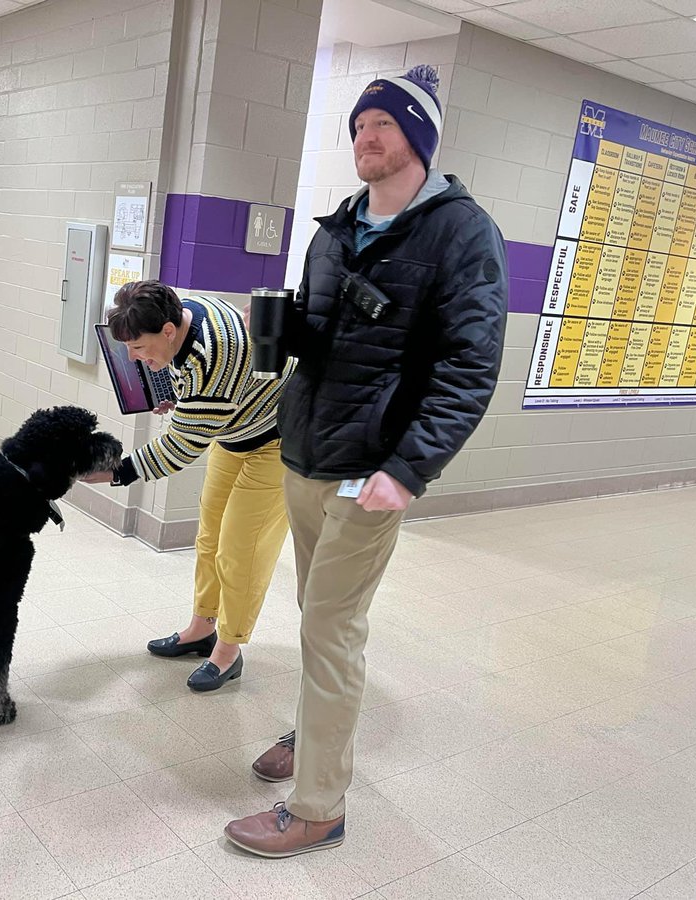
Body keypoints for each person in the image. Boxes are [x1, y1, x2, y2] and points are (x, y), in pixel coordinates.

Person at [223, 65, 509, 857]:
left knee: (331, 628)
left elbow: (468, 366)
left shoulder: (461, 232)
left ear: (417, 138)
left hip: (371, 471)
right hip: (307, 455)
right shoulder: (335, 227)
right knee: (319, 619)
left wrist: (410, 469)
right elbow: (327, 342)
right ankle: (319, 731)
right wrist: (287, 335)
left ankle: (318, 806)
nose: (365, 138)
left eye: (382, 124)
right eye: (356, 126)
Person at [81, 280, 295, 692]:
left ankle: (229, 651)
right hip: (234, 434)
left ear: (166, 330)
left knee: (241, 551)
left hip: (275, 443)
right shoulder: (186, 310)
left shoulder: (214, 358)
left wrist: (115, 472)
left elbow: (180, 448)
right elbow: (196, 393)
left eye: (139, 348)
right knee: (210, 538)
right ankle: (201, 630)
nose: (135, 358)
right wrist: (180, 392)